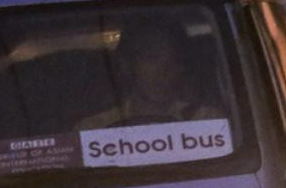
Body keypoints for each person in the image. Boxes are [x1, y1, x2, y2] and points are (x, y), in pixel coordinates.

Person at [76, 20, 221, 130]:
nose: (165, 70)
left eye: (174, 60)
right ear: (126, 66)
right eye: (153, 58)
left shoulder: (207, 120)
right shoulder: (94, 127)